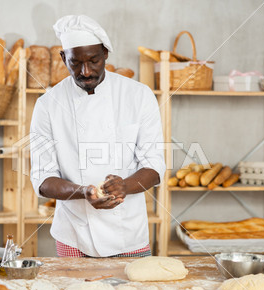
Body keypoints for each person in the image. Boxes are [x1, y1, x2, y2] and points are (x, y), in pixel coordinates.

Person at [30, 15, 165, 258]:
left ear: (105, 53)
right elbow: (42, 178)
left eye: (93, 60)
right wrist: (84, 192)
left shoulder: (138, 95)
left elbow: (154, 167)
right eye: (75, 63)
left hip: (128, 234)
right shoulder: (48, 104)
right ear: (63, 58)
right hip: (74, 233)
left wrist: (124, 186)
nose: (85, 71)